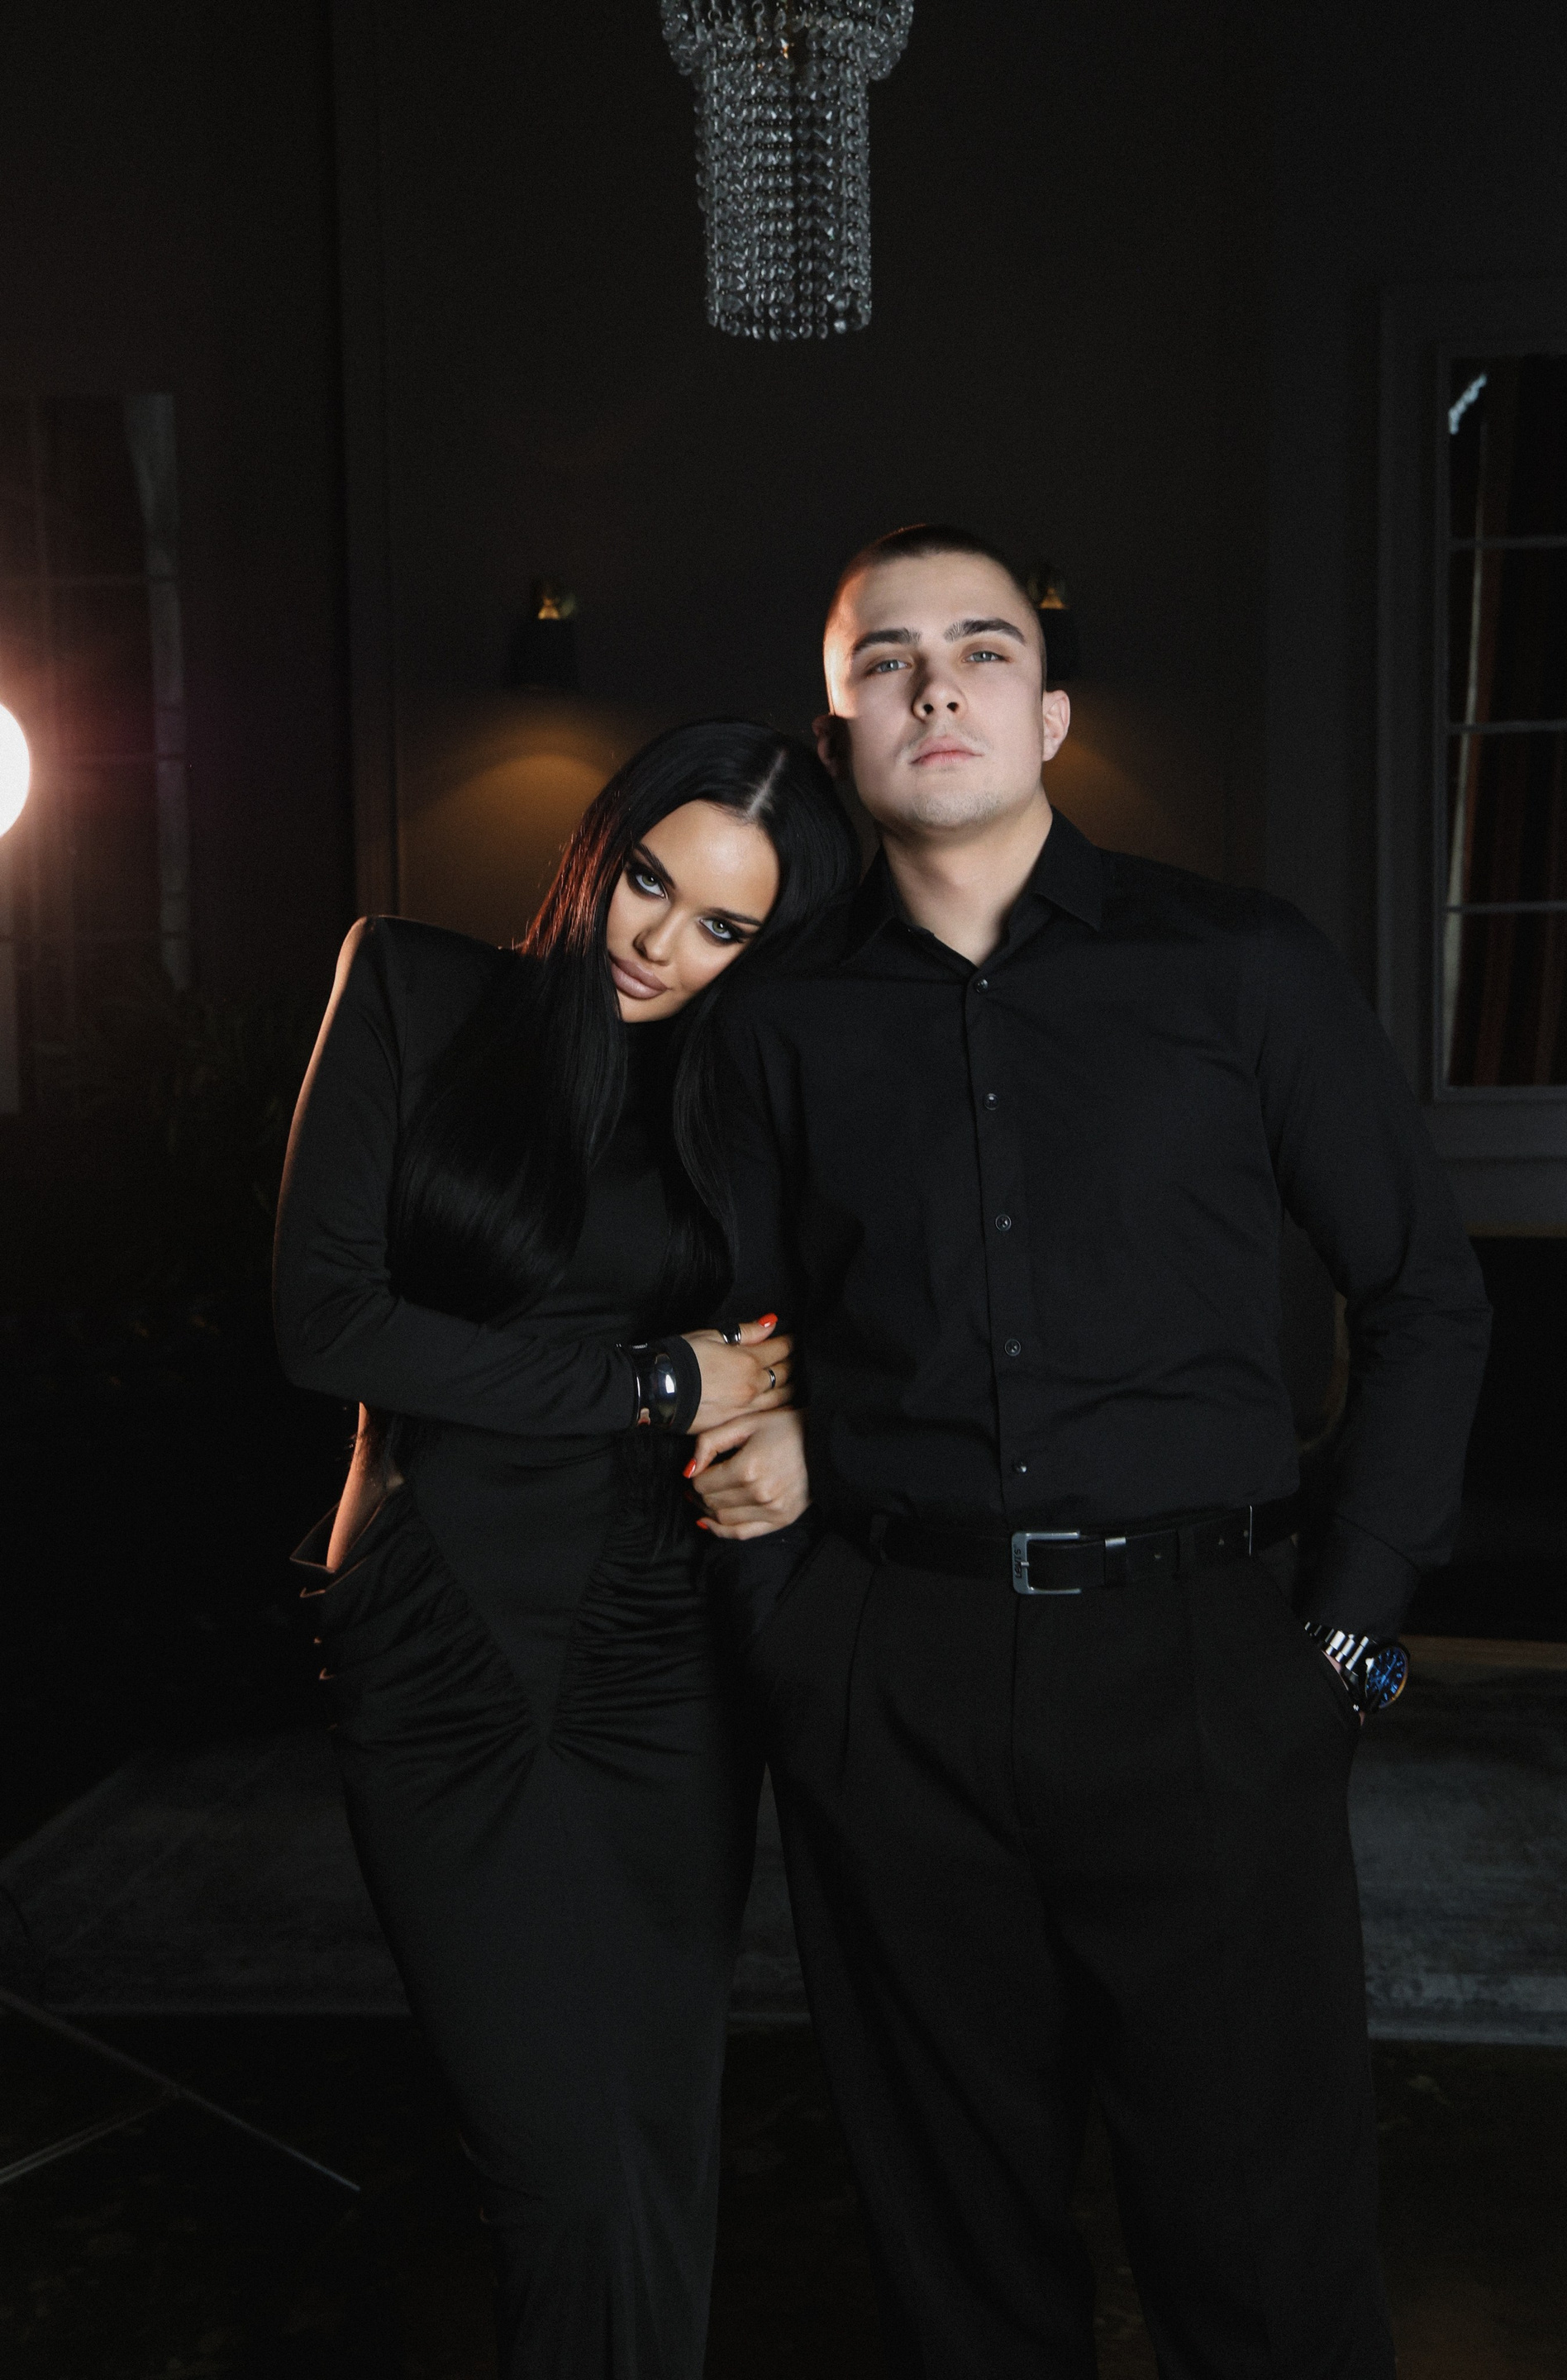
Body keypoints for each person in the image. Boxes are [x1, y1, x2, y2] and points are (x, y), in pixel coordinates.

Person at [688, 526, 1493, 2378]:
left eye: (984, 649)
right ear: (839, 734)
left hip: (1205, 1667)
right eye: (887, 659)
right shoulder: (777, 1021)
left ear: (1049, 716)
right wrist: (796, 1634)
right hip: (892, 1674)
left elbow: (1426, 1298)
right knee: (956, 2260)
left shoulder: (1240, 967)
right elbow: (736, 1330)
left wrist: (1348, 1637)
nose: (937, 684)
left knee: (1268, 2260)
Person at [273, 719, 854, 2379]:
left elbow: (835, 1333)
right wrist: (654, 1381)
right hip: (439, 1628)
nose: (659, 943)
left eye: (724, 926)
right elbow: (328, 1325)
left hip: (663, 1647)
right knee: (555, 2162)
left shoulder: (750, 1101)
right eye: (649, 881)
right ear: (600, 846)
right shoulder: (411, 989)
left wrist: (796, 1418)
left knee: (653, 2147)